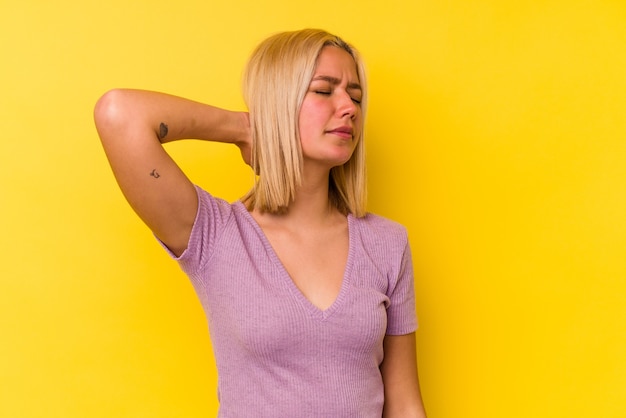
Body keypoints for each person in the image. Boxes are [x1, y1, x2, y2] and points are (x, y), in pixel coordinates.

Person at [94, 28, 427, 417]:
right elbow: (117, 113)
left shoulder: (387, 243)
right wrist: (245, 128)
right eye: (324, 91)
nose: (350, 107)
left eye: (355, 96)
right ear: (278, 102)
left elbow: (404, 405)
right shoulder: (215, 235)